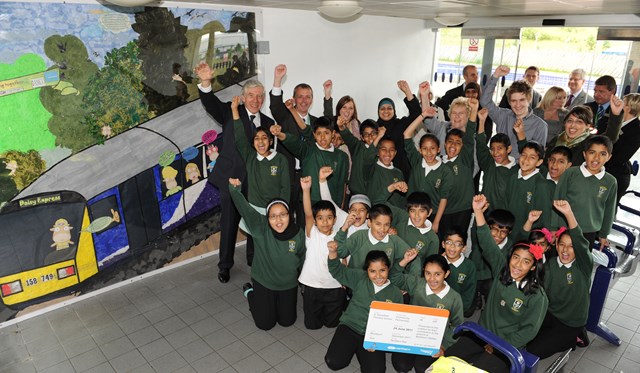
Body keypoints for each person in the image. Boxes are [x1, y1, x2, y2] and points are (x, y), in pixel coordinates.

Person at [446, 195, 548, 373]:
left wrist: (500, 345)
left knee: (479, 370)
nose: (517, 264)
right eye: (515, 258)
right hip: (481, 333)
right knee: (449, 360)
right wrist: (478, 211)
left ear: (533, 267)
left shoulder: (537, 296)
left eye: (526, 262)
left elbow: (528, 331)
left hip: (506, 346)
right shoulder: (501, 271)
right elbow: (486, 242)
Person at [194, 62, 274, 283]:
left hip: (255, 184)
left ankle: (253, 259)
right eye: (251, 95)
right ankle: (224, 266)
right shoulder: (231, 113)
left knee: (255, 222)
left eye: (259, 96)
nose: (255, 100)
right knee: (229, 224)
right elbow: (211, 104)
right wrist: (206, 83)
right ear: (243, 97)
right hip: (231, 181)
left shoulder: (267, 123)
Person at [229, 178, 305, 331]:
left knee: (287, 322)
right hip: (264, 282)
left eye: (282, 214)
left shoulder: (298, 233)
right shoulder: (260, 228)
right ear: (267, 218)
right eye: (273, 216)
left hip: (288, 284)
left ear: (289, 215)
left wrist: (303, 281)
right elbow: (244, 208)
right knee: (265, 324)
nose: (278, 220)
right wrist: (234, 189)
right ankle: (250, 292)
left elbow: (302, 257)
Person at [526, 200, 592, 359]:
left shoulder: (583, 266)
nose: (565, 250)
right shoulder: (548, 266)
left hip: (570, 322)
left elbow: (581, 243)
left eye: (571, 246)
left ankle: (572, 337)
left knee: (533, 351)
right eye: (562, 244)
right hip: (551, 313)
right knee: (524, 337)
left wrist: (568, 213)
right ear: (555, 245)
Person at [324, 249, 403, 373]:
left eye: (382, 270)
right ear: (367, 271)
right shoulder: (360, 278)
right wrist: (333, 254)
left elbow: (395, 323)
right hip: (349, 326)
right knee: (334, 363)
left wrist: (379, 342)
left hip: (373, 336)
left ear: (388, 268)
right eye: (372, 271)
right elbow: (337, 271)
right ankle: (352, 347)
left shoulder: (396, 293)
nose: (378, 276)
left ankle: (358, 349)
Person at [390, 253, 464, 373]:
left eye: (437, 274)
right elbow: (393, 277)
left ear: (446, 274)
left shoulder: (454, 298)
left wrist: (443, 345)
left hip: (434, 339)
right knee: (401, 365)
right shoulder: (418, 284)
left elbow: (457, 326)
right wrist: (404, 260)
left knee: (423, 368)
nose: (432, 279)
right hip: (411, 334)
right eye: (427, 273)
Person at [230, 95, 290, 230]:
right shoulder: (250, 157)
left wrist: (280, 212)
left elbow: (285, 189)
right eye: (257, 138)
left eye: (264, 138)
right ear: (253, 143)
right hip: (254, 210)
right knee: (255, 245)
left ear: (270, 141)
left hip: (275, 212)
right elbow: (239, 136)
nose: (261, 142)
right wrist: (235, 110)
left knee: (274, 244)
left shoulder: (280, 160)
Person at [270, 64, 318, 223]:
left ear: (312, 99)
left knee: (307, 218)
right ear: (294, 98)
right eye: (300, 96)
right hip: (287, 177)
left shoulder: (317, 124)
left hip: (309, 178)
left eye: (308, 96)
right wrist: (278, 79)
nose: (304, 100)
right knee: (286, 218)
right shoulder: (285, 117)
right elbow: (276, 106)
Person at [298, 176, 346, 330]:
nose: (325, 222)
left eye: (329, 218)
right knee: (312, 325)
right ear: (316, 220)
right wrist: (306, 190)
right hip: (312, 286)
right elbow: (307, 214)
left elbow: (344, 260)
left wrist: (344, 281)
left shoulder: (340, 236)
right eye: (320, 218)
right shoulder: (313, 233)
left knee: (332, 323)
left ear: (335, 219)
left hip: (334, 287)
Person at [554, 135, 618, 247]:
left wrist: (604, 234)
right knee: (559, 259)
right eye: (592, 152)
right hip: (564, 228)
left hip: (589, 232)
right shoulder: (570, 173)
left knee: (583, 262)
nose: (596, 158)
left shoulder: (610, 181)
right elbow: (557, 199)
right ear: (584, 154)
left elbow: (609, 209)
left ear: (609, 157)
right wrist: (553, 227)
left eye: (603, 154)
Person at [271, 115, 349, 207]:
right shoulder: (308, 150)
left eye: (326, 133)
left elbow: (342, 184)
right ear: (314, 135)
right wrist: (279, 134)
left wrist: (340, 207)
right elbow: (293, 142)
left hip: (331, 204)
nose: (323, 137)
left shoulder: (342, 156)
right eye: (319, 133)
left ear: (333, 133)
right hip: (308, 201)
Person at [481, 65, 548, 159]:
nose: (518, 105)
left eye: (522, 100)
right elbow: (485, 101)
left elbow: (538, 157)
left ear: (529, 99)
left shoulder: (540, 126)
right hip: (498, 167)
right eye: (513, 101)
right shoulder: (503, 116)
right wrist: (496, 76)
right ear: (509, 102)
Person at [403, 116, 453, 234]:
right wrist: (423, 115)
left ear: (439, 149)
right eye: (425, 149)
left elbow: (443, 198)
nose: (429, 152)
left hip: (432, 215)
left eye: (432, 148)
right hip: (412, 212)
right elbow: (407, 134)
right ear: (420, 150)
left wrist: (436, 222)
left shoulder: (445, 171)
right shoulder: (416, 161)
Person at [546, 95, 624, 166]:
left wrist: (616, 115)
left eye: (579, 122)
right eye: (570, 121)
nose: (573, 125)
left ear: (588, 126)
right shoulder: (556, 140)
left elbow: (610, 137)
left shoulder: (591, 142)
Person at [334, 204, 410, 270]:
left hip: (382, 284)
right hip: (357, 284)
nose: (382, 229)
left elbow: (412, 257)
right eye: (378, 224)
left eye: (386, 225)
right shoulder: (359, 236)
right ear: (369, 223)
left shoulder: (393, 239)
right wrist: (344, 228)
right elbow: (341, 253)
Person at [504, 141, 555, 238]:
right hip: (510, 231)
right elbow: (506, 203)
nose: (526, 160)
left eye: (532, 157)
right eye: (524, 155)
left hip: (529, 235)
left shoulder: (541, 185)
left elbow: (545, 215)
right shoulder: (513, 178)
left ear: (539, 162)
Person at [470, 208, 516, 312]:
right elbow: (475, 230)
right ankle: (475, 295)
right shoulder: (480, 238)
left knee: (492, 284)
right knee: (468, 311)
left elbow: (498, 272)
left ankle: (489, 304)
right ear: (488, 228)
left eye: (503, 232)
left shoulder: (510, 248)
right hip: (475, 276)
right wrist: (479, 213)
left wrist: (476, 276)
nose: (498, 235)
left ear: (509, 232)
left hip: (490, 280)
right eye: (494, 229)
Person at [376, 81, 423, 180]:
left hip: (402, 173)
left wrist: (407, 92)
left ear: (394, 110)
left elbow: (416, 114)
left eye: (389, 108)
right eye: (382, 109)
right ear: (378, 111)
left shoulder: (401, 124)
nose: (386, 111)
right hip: (380, 174)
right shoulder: (374, 128)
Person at [385, 192, 439, 276]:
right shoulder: (402, 218)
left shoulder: (433, 238)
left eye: (421, 211)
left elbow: (429, 267)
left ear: (429, 212)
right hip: (387, 269)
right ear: (408, 211)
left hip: (410, 277)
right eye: (413, 211)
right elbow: (378, 202)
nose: (417, 216)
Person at [475, 108, 518, 212]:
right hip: (484, 215)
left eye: (500, 149)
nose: (495, 153)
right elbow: (481, 144)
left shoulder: (516, 171)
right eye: (492, 149)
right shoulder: (489, 164)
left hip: (502, 219)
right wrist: (481, 121)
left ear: (509, 149)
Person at [606, 93, 640, 202]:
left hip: (616, 175)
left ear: (628, 108)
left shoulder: (637, 130)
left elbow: (620, 157)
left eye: (622, 102)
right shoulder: (618, 123)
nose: (618, 104)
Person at [339, 119, 385, 196]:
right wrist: (341, 127)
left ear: (378, 134)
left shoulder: (382, 152)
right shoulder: (357, 146)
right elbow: (348, 136)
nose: (370, 137)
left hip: (374, 195)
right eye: (366, 134)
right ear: (362, 137)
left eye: (373, 133)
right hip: (356, 194)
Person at [441, 227, 477, 317]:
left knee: (467, 312)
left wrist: (457, 311)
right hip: (439, 303)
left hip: (458, 305)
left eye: (458, 244)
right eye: (449, 242)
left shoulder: (469, 266)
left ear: (464, 248)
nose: (452, 246)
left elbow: (469, 293)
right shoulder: (437, 262)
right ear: (443, 244)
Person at [367, 137, 407, 208]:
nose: (388, 153)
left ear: (395, 153)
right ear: (377, 152)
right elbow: (373, 198)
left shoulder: (398, 172)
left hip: (395, 213)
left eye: (391, 150)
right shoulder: (372, 168)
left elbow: (402, 198)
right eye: (383, 149)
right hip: (378, 212)